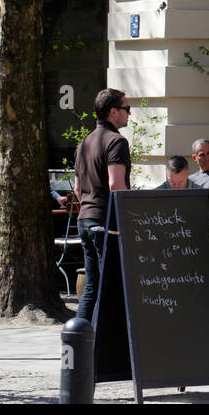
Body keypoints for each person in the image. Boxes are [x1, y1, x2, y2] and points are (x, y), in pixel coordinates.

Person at [74, 88, 131, 320]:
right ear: (113, 112)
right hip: (106, 222)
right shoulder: (116, 142)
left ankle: (79, 341)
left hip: (85, 219)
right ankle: (102, 346)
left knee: (92, 286)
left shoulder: (84, 144)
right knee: (110, 286)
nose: (129, 113)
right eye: (126, 109)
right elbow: (116, 185)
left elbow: (78, 190)